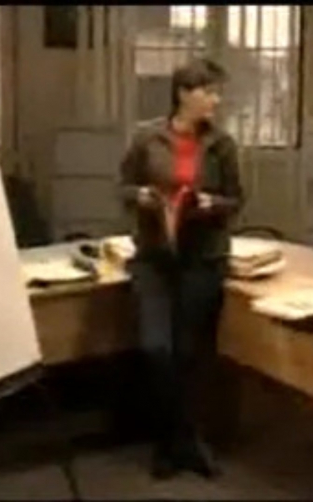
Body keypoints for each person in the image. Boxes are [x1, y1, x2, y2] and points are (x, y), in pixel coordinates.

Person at [119, 58, 243, 481]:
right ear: (183, 94)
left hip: (202, 258)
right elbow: (123, 187)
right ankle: (170, 438)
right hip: (155, 257)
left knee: (191, 353)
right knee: (158, 349)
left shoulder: (222, 144)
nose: (215, 100)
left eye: (217, 92)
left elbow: (237, 199)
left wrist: (210, 203)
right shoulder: (147, 137)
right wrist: (142, 196)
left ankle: (185, 443)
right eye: (208, 91)